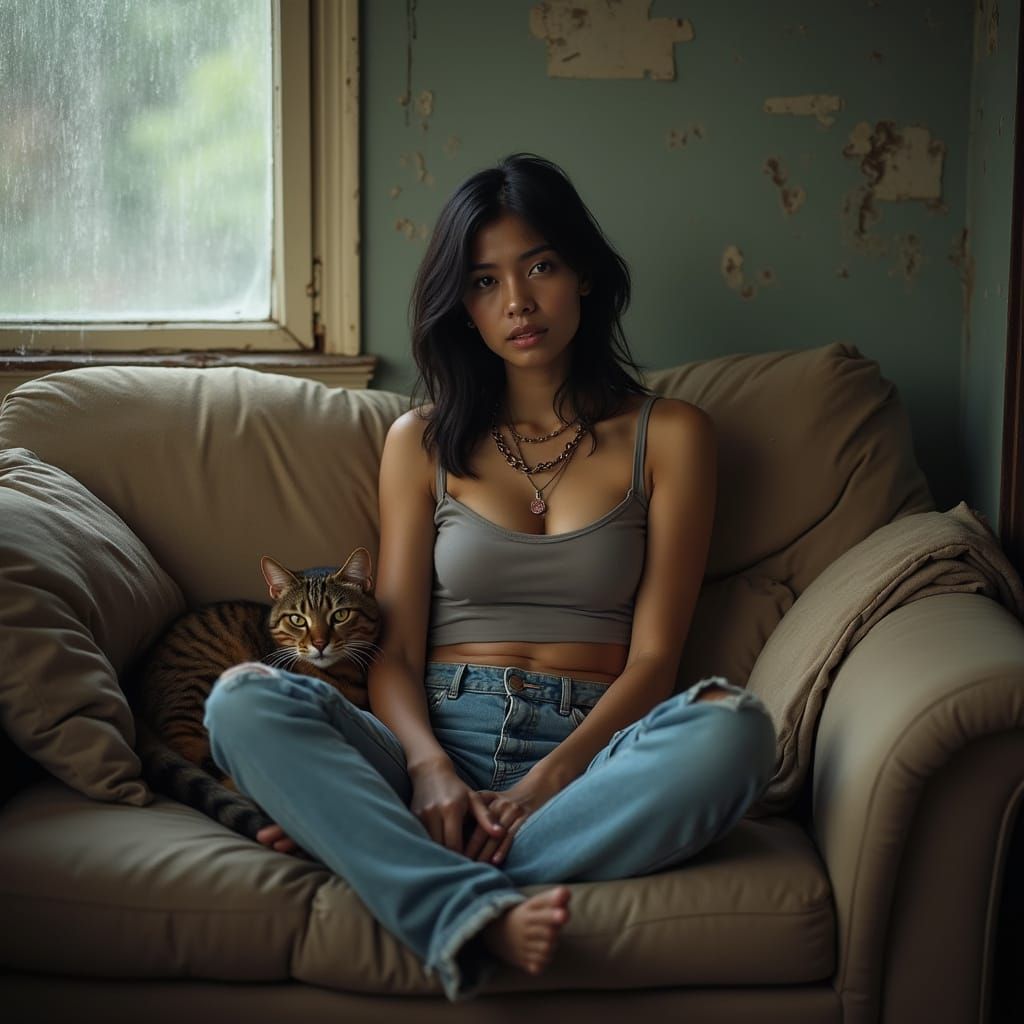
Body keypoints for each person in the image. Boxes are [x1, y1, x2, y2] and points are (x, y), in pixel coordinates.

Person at [204, 153, 777, 1002]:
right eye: (483, 281)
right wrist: (431, 769)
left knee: (737, 732)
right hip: (435, 736)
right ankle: (465, 900)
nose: (516, 301)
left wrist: (551, 781)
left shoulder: (674, 436)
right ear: (462, 309)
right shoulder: (420, 443)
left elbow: (656, 660)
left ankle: (404, 867)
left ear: (583, 273)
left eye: (539, 266)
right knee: (242, 700)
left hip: (594, 748)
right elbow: (393, 650)